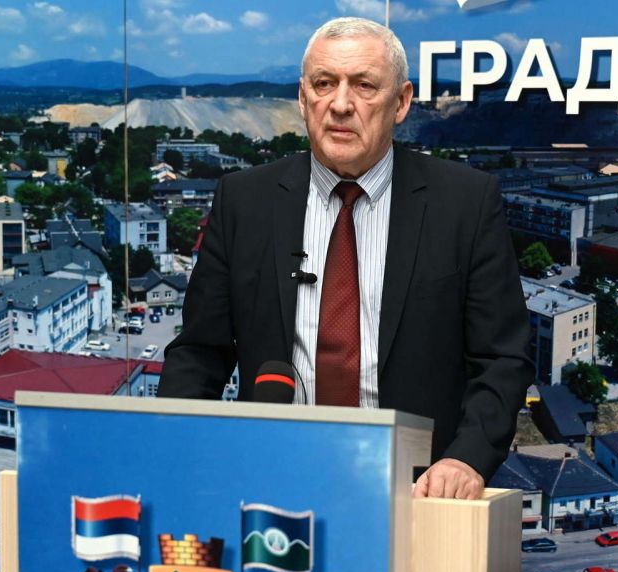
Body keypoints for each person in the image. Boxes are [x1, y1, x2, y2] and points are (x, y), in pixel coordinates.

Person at [158, 16, 533, 500]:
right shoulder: (244, 200)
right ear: (302, 99)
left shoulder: (465, 202)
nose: (340, 104)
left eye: (364, 85)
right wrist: (175, 452)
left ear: (401, 102)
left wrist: (466, 458)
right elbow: (199, 353)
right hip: (271, 483)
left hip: (416, 491)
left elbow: (501, 357)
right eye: (324, 84)